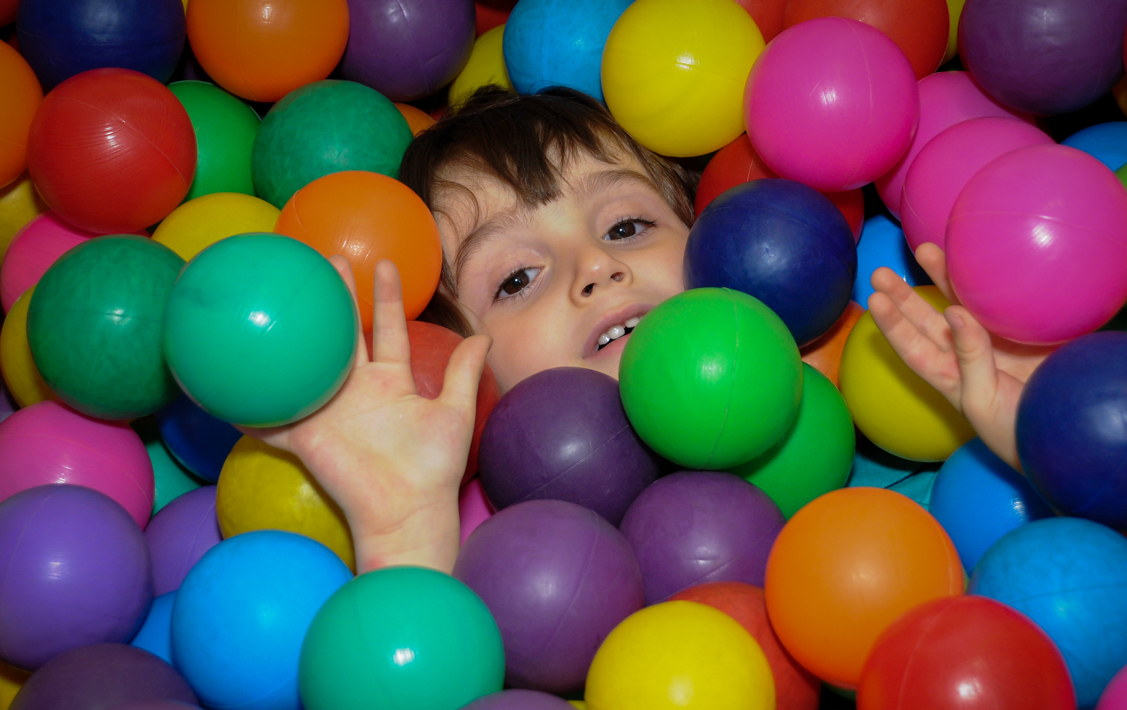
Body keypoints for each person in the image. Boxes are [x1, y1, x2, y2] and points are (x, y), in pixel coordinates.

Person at [242, 86, 1044, 575]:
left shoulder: (900, 443)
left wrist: (1038, 426)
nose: (596, 266)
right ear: (466, 368)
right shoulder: (498, 565)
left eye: (626, 227)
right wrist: (405, 531)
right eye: (517, 278)